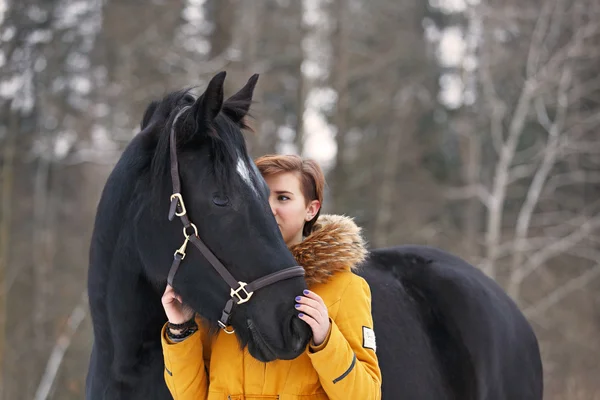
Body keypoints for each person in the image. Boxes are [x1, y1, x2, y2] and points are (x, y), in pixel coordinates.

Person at [161, 154, 381, 400]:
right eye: (258, 197)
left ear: (311, 209)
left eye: (283, 197)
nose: (268, 209)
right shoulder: (223, 281)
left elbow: (366, 396)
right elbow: (190, 396)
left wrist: (326, 338)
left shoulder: (345, 288)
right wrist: (181, 328)